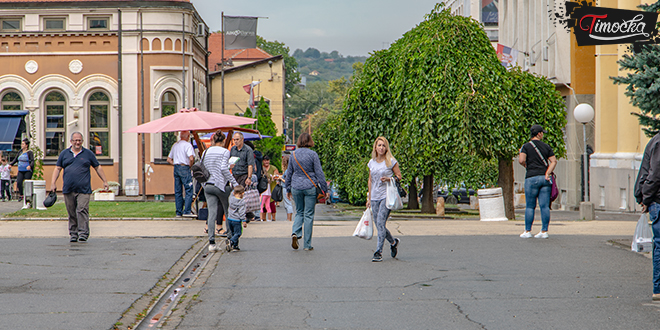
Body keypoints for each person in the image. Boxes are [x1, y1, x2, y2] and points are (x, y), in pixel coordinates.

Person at [50, 132, 109, 242]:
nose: (77, 142)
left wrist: (105, 181)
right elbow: (57, 168)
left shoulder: (88, 154)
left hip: (84, 189)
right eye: (75, 140)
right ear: (71, 141)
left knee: (82, 210)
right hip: (68, 189)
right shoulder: (64, 154)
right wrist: (53, 182)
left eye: (80, 140)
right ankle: (73, 233)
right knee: (71, 211)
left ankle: (83, 233)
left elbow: (98, 167)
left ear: (82, 141)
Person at [284, 133, 328, 251]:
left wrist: (288, 188)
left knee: (299, 212)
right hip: (310, 187)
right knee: (308, 215)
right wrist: (325, 189)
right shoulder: (313, 155)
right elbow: (319, 173)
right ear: (310, 141)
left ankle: (295, 232)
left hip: (296, 187)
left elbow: (289, 173)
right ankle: (307, 245)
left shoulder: (293, 155)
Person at [366, 136, 402, 262]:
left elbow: (399, 176)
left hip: (386, 196)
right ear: (375, 147)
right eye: (379, 145)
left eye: (383, 145)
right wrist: (369, 198)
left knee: (381, 223)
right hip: (375, 196)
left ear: (386, 148)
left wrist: (389, 179)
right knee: (379, 225)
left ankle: (378, 252)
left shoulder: (391, 161)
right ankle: (393, 242)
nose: (381, 148)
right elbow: (370, 180)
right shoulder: (372, 162)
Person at [203, 130, 239, 252]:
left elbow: (202, 168)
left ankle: (211, 242)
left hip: (208, 184)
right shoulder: (225, 152)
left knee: (211, 213)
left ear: (213, 140)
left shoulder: (205, 152)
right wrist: (234, 182)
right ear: (223, 141)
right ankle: (229, 238)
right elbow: (223, 168)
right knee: (227, 211)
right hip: (221, 185)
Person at [518, 125, 556, 239]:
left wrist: (526, 166)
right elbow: (553, 161)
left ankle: (527, 231)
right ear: (539, 134)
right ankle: (544, 231)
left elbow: (521, 160)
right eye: (542, 133)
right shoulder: (546, 146)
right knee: (544, 206)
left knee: (530, 206)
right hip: (544, 179)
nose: (542, 134)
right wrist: (547, 173)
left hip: (531, 178)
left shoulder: (526, 146)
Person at [634, 131, 660, 301]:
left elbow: (654, 174)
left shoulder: (657, 141)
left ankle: (658, 289)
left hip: (657, 199)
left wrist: (644, 196)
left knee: (659, 244)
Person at [167, 131, 194, 217]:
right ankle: (187, 211)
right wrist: (190, 165)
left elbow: (168, 159)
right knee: (188, 190)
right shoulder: (188, 145)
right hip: (184, 167)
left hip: (176, 167)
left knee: (178, 191)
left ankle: (178, 212)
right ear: (188, 136)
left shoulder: (175, 145)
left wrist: (174, 163)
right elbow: (191, 158)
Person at [227, 185, 249, 251]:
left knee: (233, 233)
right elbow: (241, 212)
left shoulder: (231, 198)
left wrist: (234, 190)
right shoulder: (242, 202)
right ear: (242, 193)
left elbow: (232, 193)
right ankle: (231, 241)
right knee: (238, 233)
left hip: (230, 218)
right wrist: (244, 221)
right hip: (236, 220)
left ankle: (235, 246)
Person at [260, 155, 280, 221]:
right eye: (265, 160)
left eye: (267, 160)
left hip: (271, 188)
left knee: (271, 204)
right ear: (263, 161)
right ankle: (263, 218)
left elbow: (277, 176)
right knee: (263, 205)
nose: (266, 162)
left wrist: (275, 177)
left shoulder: (273, 168)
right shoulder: (261, 168)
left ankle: (273, 218)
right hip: (263, 189)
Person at [281, 155, 294, 221]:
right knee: (288, 203)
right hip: (289, 187)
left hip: (286, 188)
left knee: (288, 203)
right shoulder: (291, 169)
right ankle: (289, 218)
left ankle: (289, 218)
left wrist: (280, 178)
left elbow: (286, 181)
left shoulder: (287, 171)